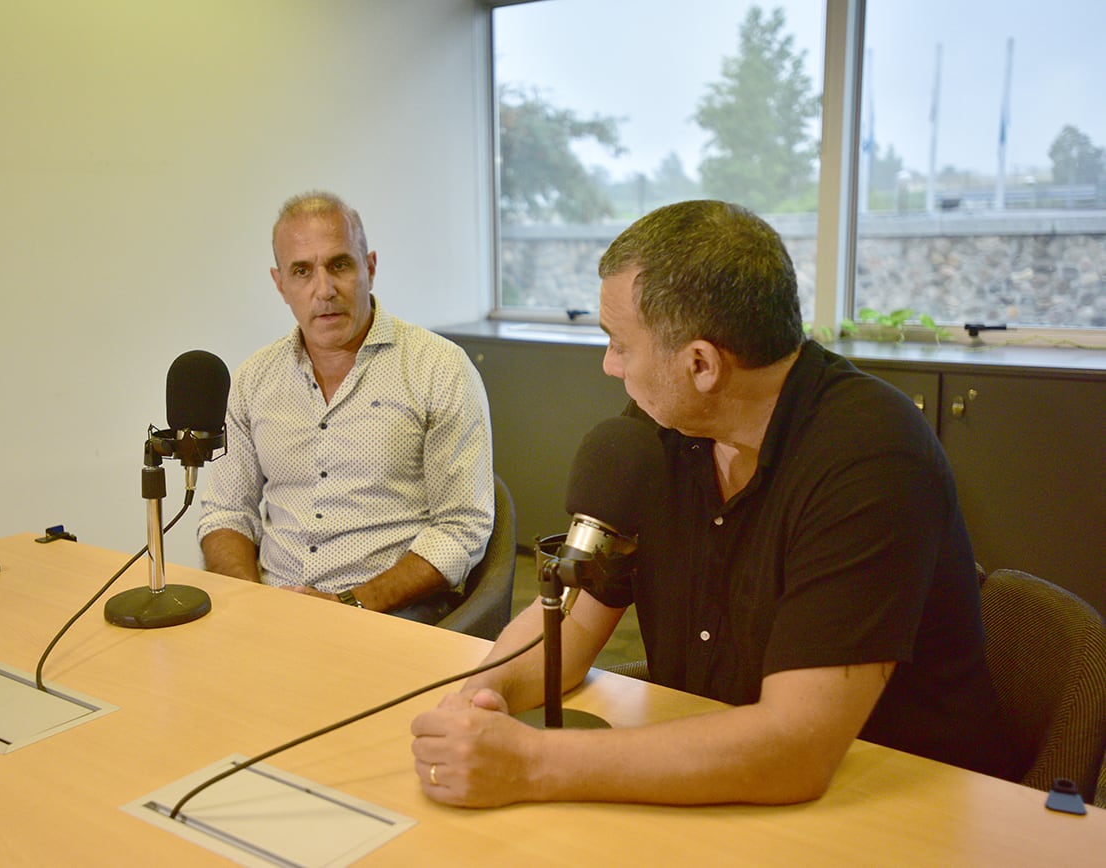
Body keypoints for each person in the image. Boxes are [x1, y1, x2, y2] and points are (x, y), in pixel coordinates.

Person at [410, 199, 1021, 806]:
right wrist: (475, 701)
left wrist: (531, 765)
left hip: (891, 804)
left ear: (700, 364)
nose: (608, 365)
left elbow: (795, 750)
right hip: (726, 770)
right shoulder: (660, 431)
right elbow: (569, 623)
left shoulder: (872, 460)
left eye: (620, 345)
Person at [197, 191, 494, 622]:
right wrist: (251, 604)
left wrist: (350, 604)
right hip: (272, 606)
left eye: (339, 265)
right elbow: (226, 513)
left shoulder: (439, 368)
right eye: (302, 271)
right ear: (280, 283)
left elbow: (461, 526)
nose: (324, 290)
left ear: (369, 268)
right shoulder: (253, 379)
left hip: (391, 612)